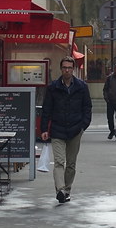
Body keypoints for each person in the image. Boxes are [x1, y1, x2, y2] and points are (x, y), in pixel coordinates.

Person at [39, 56, 92, 203]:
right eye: (64, 68)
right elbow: (46, 109)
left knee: (71, 164)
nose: (67, 70)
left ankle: (67, 189)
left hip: (75, 129)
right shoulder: (53, 87)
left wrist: (83, 126)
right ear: (61, 69)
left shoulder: (81, 87)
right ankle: (60, 190)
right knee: (58, 161)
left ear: (73, 69)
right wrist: (44, 129)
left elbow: (87, 107)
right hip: (57, 129)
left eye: (69, 68)